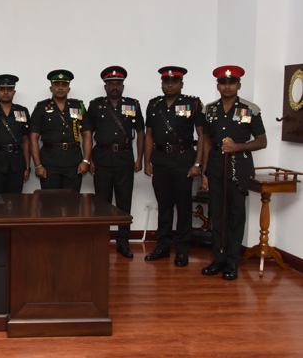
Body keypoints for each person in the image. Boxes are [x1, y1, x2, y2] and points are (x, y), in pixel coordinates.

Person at [201, 65, 266, 280]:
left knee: (236, 215)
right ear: (218, 86)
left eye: (231, 82)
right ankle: (218, 258)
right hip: (216, 166)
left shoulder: (250, 109)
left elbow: (262, 141)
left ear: (239, 85)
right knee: (217, 213)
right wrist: (205, 172)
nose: (227, 86)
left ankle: (231, 261)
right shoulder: (210, 110)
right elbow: (207, 141)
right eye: (223, 83)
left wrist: (238, 147)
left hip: (239, 167)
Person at [143, 67, 205, 267]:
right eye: (166, 82)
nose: (170, 85)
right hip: (160, 160)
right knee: (164, 206)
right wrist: (147, 161)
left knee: (183, 207)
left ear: (181, 84)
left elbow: (202, 136)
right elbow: (149, 135)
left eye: (174, 81)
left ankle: (182, 249)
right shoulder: (154, 105)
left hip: (183, 160)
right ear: (162, 84)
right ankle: (162, 246)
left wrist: (198, 164)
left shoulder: (193, 104)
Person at [83, 66, 144, 258]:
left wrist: (140, 158)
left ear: (123, 86)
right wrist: (89, 159)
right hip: (101, 158)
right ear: (105, 86)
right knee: (102, 203)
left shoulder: (133, 105)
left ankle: (123, 242)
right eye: (111, 84)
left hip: (125, 158)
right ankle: (101, 240)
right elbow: (88, 134)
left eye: (118, 84)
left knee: (124, 202)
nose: (114, 87)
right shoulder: (95, 106)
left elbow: (141, 132)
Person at [29, 70, 91, 191]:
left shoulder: (79, 106)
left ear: (69, 88)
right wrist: (38, 165)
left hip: (74, 162)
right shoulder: (41, 108)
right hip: (49, 163)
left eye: (64, 85)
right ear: (51, 88)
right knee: (50, 200)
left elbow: (87, 135)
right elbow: (33, 138)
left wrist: (85, 161)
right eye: (57, 85)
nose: (61, 88)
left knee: (72, 200)